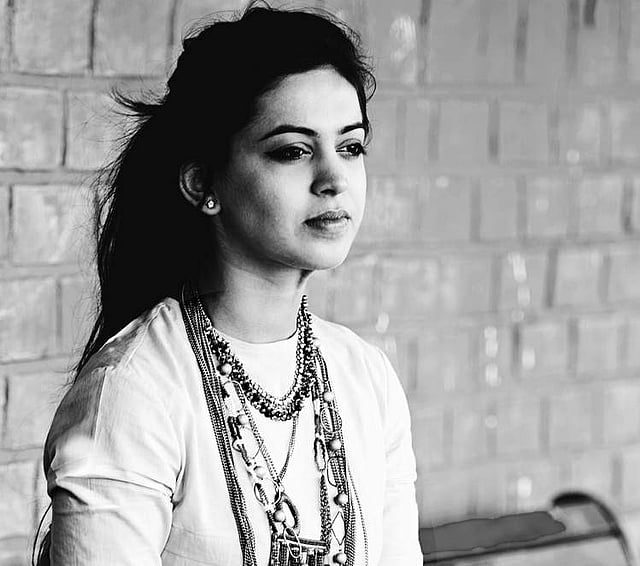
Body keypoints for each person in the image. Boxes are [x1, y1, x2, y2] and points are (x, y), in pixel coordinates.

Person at [39, 3, 422, 565]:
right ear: (202, 183)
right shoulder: (135, 391)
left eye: (351, 146)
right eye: (292, 151)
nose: (334, 179)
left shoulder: (366, 378)